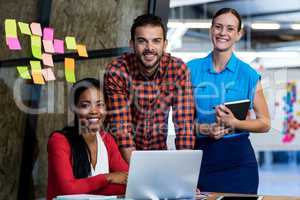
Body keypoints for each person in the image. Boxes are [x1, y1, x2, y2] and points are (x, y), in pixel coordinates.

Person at [187, 8, 270, 194]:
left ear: (238, 34)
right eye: (218, 27)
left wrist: (236, 123)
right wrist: (204, 129)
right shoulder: (190, 70)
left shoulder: (248, 74)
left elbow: (265, 123)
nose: (223, 33)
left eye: (230, 29)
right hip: (201, 159)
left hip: (239, 163)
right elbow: (181, 122)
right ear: (211, 30)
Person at [104, 14, 195, 163]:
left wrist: (184, 176)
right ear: (132, 44)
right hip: (119, 159)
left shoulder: (178, 69)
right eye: (142, 41)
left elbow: (184, 126)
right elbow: (122, 131)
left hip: (157, 155)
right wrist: (138, 174)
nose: (150, 48)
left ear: (164, 44)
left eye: (156, 41)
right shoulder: (117, 70)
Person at [47, 78, 128, 200]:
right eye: (85, 105)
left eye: (100, 105)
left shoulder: (107, 140)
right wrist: (108, 178)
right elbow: (68, 190)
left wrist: (85, 187)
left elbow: (127, 180)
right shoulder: (59, 141)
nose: (94, 111)